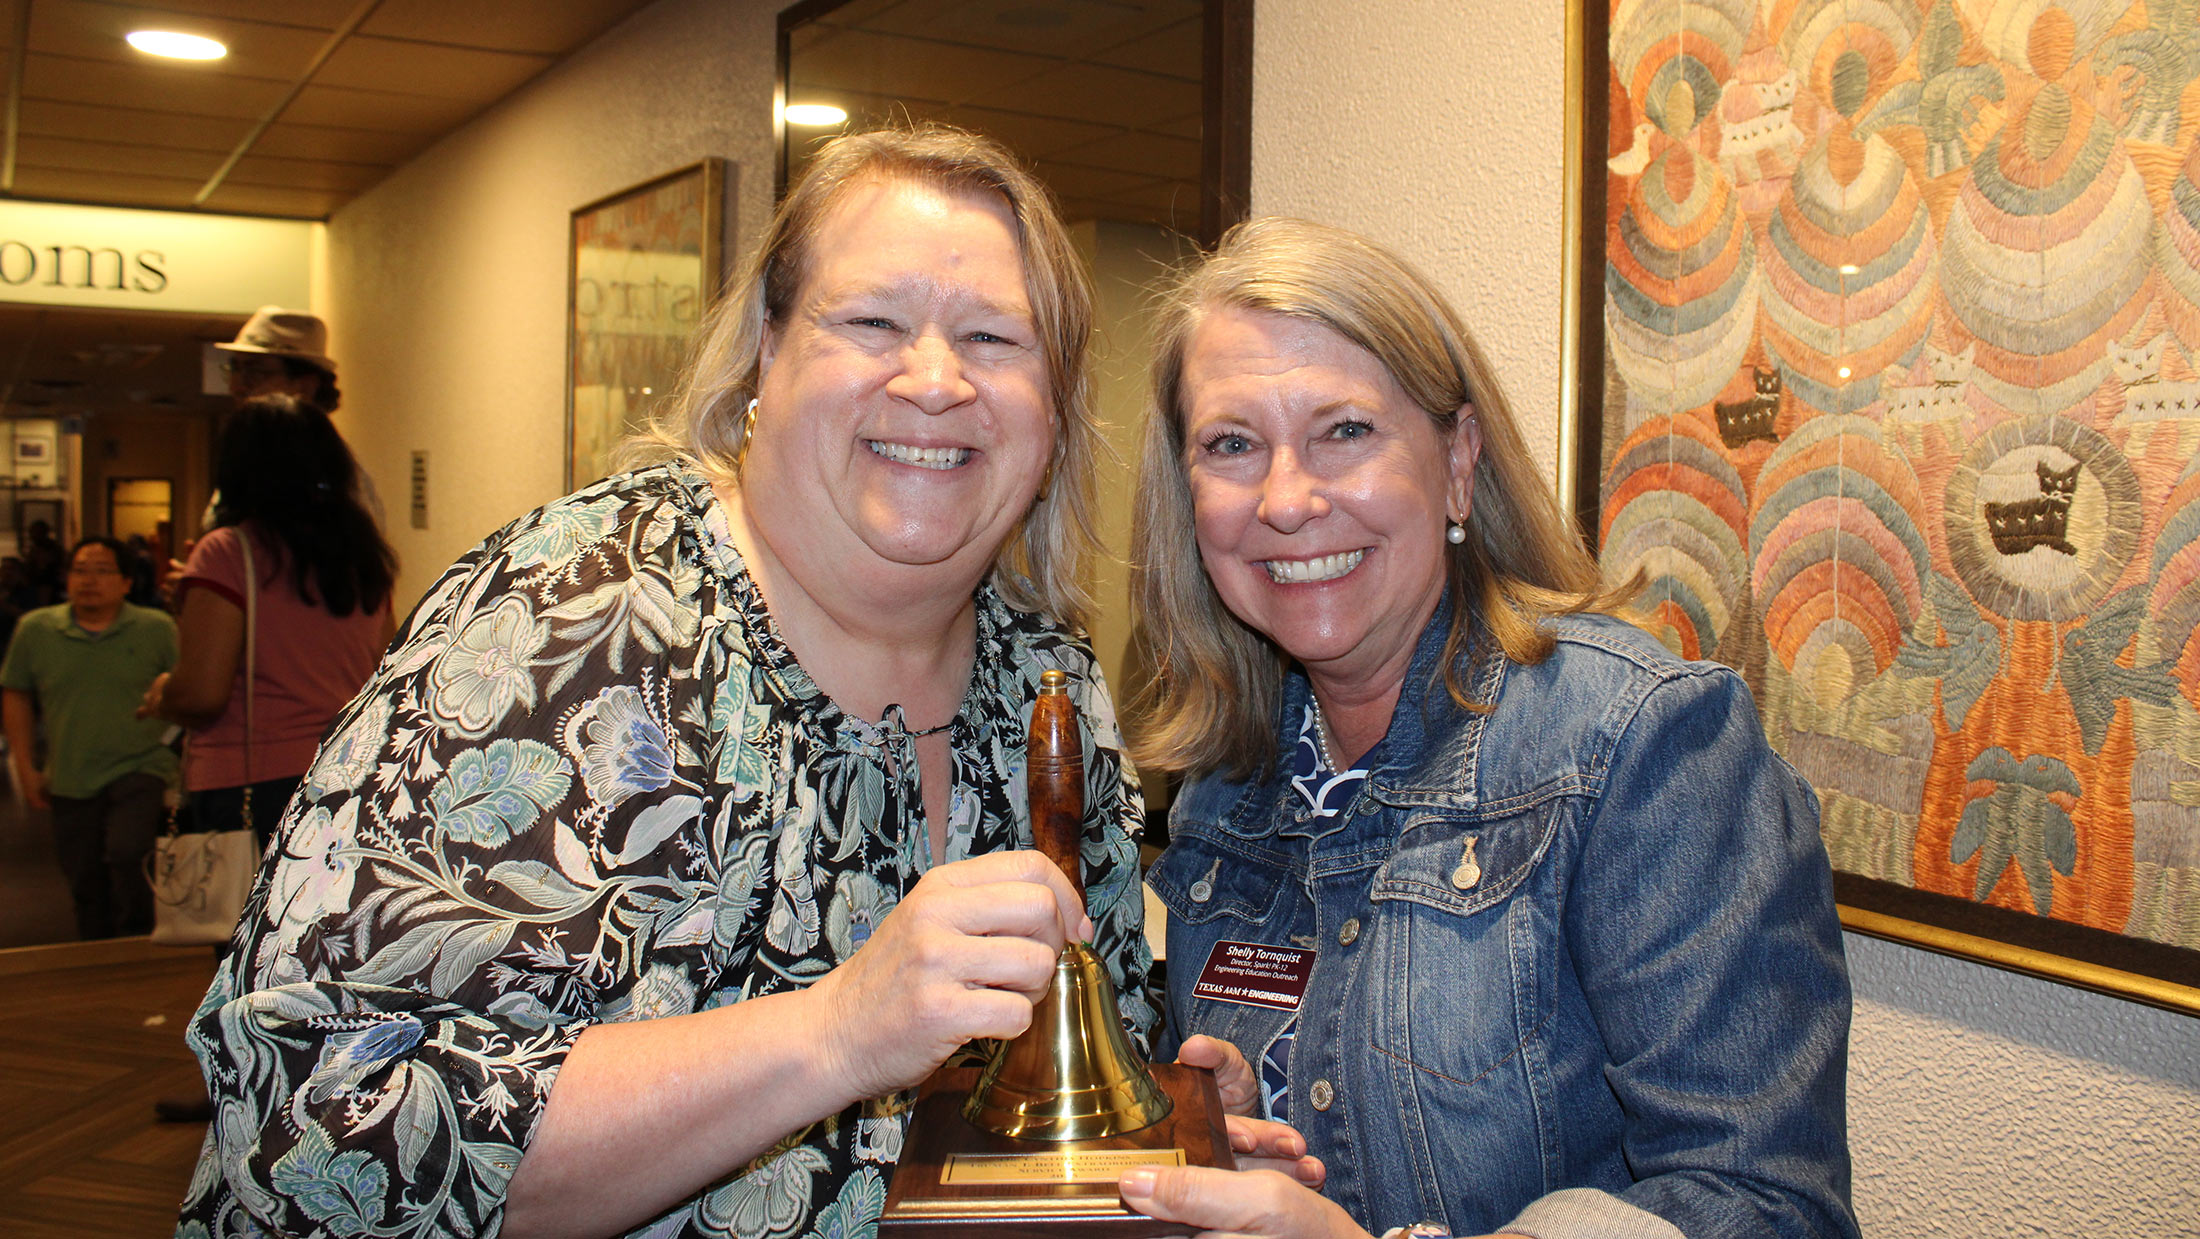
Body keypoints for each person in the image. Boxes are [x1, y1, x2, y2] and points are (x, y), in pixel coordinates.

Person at [176, 125, 1167, 1239]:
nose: (935, 380)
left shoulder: (1050, 685)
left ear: (1055, 414)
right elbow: (313, 1134)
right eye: (872, 321)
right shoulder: (572, 620)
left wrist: (1167, 1135)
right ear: (764, 359)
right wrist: (838, 1031)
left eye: (995, 339)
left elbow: (1086, 1052)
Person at [1121, 218, 1859, 1239]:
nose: (1285, 500)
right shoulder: (1227, 787)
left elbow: (1767, 1210)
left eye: (1344, 430)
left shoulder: (1635, 743)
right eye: (1232, 445)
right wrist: (1232, 1127)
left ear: (1457, 459)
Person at [142, 393, 396, 854]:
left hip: (250, 782)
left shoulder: (227, 552)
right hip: (352, 773)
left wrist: (164, 694)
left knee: (243, 919)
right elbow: (385, 671)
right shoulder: (361, 557)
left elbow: (202, 693)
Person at [1, 536, 178, 939]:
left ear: (127, 582)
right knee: (83, 876)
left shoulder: (156, 628)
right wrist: (25, 766)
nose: (89, 580)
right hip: (70, 772)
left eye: (103, 571)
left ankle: (135, 943)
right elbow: (16, 694)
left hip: (143, 764)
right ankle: (96, 954)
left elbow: (185, 689)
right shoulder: (37, 629)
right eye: (80, 570)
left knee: (129, 852)